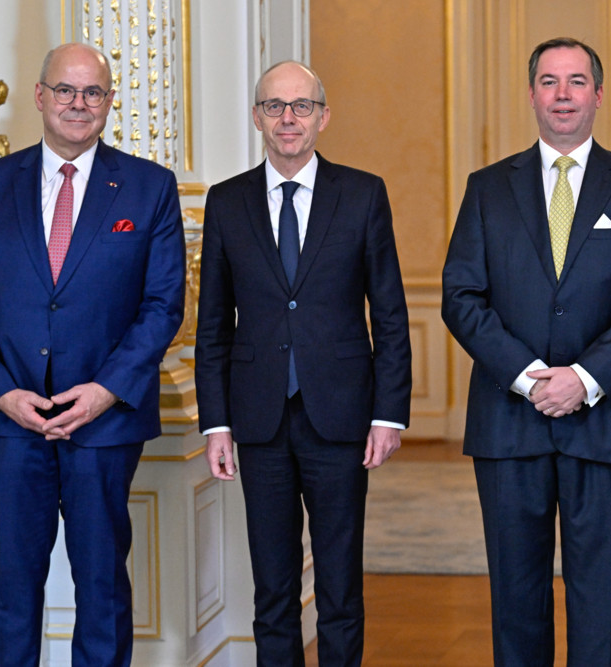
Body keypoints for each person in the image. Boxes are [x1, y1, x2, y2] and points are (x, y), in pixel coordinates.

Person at [0, 43, 186, 667]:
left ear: (109, 102)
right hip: (11, 421)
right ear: (40, 96)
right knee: (13, 591)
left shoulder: (149, 187)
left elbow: (163, 305)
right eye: (66, 91)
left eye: (93, 93)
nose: (79, 105)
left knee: (102, 588)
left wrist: (105, 390)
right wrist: (1, 390)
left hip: (104, 423)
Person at [441, 37, 611, 666]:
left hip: (601, 422)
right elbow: (461, 296)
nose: (563, 94)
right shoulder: (487, 187)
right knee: (514, 594)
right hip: (506, 420)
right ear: (532, 95)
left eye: (577, 82)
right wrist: (527, 376)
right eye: (550, 81)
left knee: (597, 597)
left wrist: (583, 377)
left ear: (598, 95)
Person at [195, 60, 411, 666]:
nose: (288, 119)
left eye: (301, 106)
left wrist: (389, 413)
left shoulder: (363, 194)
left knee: (341, 587)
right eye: (275, 106)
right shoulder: (227, 201)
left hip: (341, 417)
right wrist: (216, 423)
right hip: (257, 422)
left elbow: (389, 314)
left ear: (323, 116)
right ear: (258, 116)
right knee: (273, 590)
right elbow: (212, 325)